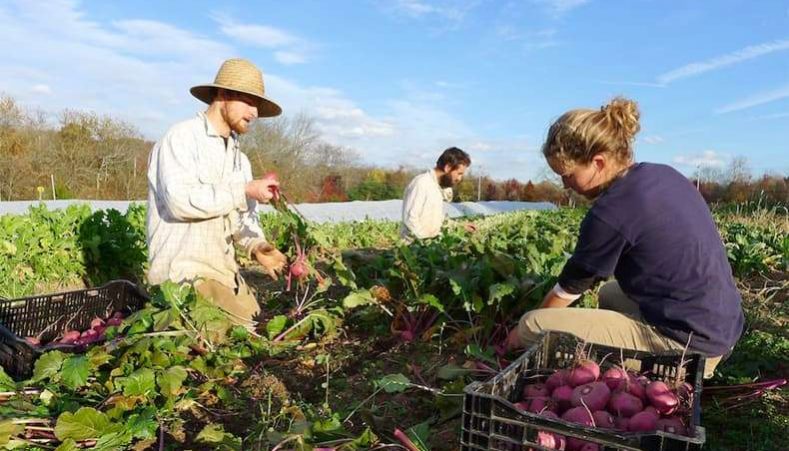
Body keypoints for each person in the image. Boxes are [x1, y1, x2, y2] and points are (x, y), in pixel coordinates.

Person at [506, 97, 744, 378]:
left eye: (568, 174)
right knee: (609, 293)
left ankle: (655, 366)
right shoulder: (662, 174)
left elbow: (568, 289)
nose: (564, 184)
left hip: (690, 346)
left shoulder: (610, 212)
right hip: (719, 324)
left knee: (532, 326)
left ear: (598, 162)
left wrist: (520, 335)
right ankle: (624, 349)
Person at [146, 58, 288, 330]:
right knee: (240, 339)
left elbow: (242, 220)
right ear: (223, 95)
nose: (255, 112)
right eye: (249, 102)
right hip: (182, 274)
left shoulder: (240, 160)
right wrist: (244, 189)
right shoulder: (181, 139)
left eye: (257, 105)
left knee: (260, 326)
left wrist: (257, 246)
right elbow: (179, 202)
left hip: (224, 272)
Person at [401, 147, 471, 240]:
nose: (459, 178)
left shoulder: (436, 188)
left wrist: (460, 226)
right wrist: (425, 242)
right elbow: (410, 219)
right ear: (448, 167)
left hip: (428, 248)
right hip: (413, 250)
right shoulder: (421, 183)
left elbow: (436, 220)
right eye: (459, 173)